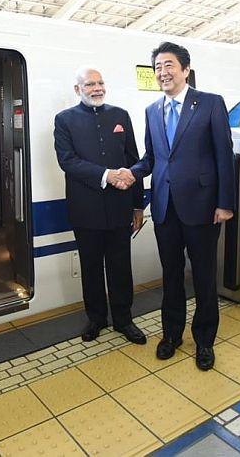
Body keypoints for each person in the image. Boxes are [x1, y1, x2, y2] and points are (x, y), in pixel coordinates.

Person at [118, 42, 234, 370]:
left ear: (185, 69)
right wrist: (130, 173)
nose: (162, 72)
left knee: (204, 277)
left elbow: (224, 155)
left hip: (203, 206)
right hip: (166, 207)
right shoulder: (152, 110)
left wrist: (225, 203)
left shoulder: (209, 104)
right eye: (157, 67)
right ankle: (171, 335)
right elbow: (152, 159)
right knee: (170, 276)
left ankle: (205, 341)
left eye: (169, 65)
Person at [54, 66, 147, 344]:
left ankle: (124, 320)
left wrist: (138, 206)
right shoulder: (64, 120)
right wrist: (107, 175)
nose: (97, 88)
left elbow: (133, 160)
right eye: (90, 84)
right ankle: (96, 319)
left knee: (121, 267)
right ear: (77, 89)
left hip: (120, 208)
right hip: (85, 210)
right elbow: (67, 161)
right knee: (91, 267)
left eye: (100, 83)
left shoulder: (120, 116)